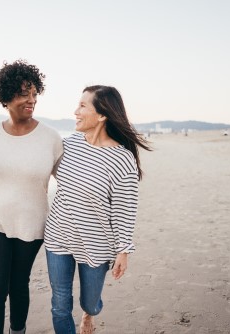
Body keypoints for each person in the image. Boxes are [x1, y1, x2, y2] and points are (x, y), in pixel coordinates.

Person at [44, 85, 152, 334]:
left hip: (96, 243)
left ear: (102, 115)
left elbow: (125, 210)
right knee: (60, 305)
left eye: (83, 106)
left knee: (90, 303)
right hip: (58, 237)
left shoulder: (121, 159)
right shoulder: (67, 146)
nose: (75, 111)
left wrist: (123, 250)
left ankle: (89, 315)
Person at [0, 59, 63, 334]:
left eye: (35, 94)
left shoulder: (50, 137)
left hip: (32, 223)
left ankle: (18, 330)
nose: (31, 100)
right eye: (24, 93)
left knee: (18, 283)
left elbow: (69, 182)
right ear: (5, 96)